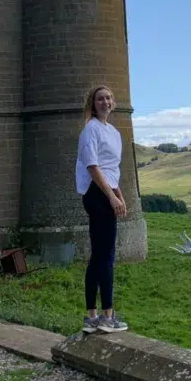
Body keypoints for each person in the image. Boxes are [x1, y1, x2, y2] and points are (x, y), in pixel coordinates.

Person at [75, 85, 129, 334]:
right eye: (100, 99)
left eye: (108, 97)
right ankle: (107, 316)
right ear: (93, 104)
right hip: (97, 194)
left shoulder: (114, 132)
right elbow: (93, 167)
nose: (105, 102)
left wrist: (120, 195)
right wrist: (111, 197)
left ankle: (92, 317)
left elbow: (111, 168)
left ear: (113, 102)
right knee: (106, 256)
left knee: (98, 256)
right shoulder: (90, 130)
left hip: (107, 192)